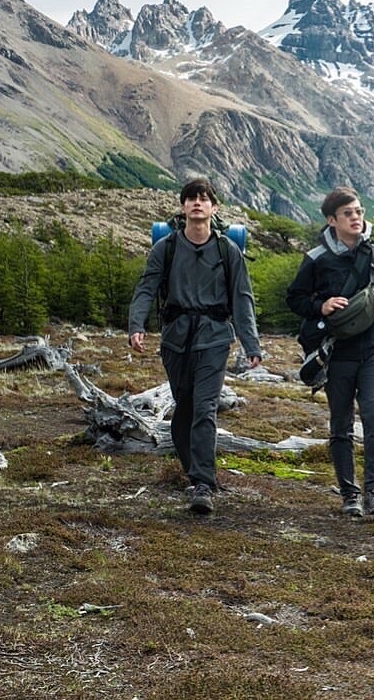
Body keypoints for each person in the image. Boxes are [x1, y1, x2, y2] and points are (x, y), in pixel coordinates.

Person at [128, 177, 262, 515]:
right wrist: (136, 324)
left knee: (205, 408)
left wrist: (251, 343)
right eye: (191, 198)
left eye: (204, 199)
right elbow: (147, 288)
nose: (197, 203)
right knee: (184, 408)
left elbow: (242, 299)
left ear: (214, 208)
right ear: (183, 206)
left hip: (215, 338)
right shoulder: (166, 248)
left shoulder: (227, 250)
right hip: (175, 339)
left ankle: (204, 483)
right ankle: (192, 472)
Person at [286, 186, 374, 517]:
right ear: (332, 220)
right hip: (337, 351)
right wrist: (322, 305)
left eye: (358, 211)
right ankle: (349, 495)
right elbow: (295, 298)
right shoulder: (317, 258)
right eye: (347, 213)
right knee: (340, 422)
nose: (356, 217)